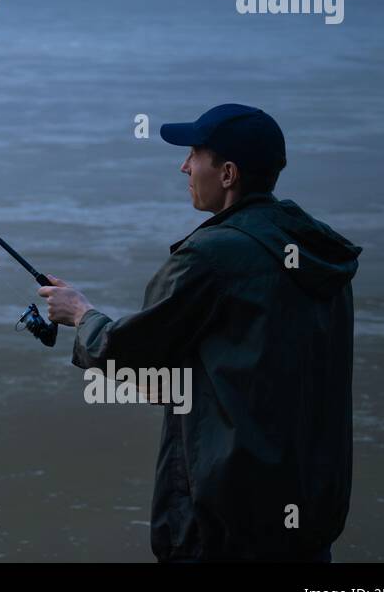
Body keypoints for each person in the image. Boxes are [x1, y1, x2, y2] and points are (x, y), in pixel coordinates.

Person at [38, 104, 360, 562]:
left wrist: (81, 314)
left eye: (194, 154)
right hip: (307, 511)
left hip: (225, 519)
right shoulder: (316, 249)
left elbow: (127, 354)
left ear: (227, 173)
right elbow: (253, 362)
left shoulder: (209, 257)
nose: (184, 165)